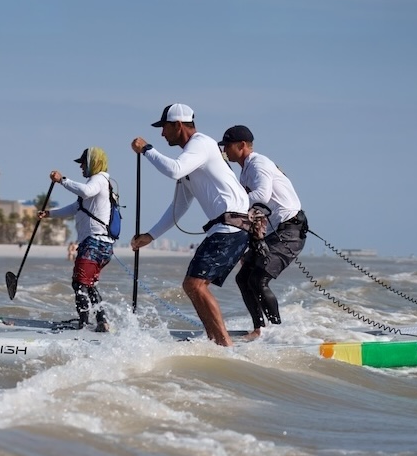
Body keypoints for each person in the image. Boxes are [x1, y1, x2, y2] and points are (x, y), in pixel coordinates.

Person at [130, 104, 251, 346]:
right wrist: (150, 236)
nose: (162, 134)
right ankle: (216, 341)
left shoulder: (201, 143)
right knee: (195, 285)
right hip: (227, 228)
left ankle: (223, 344)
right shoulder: (189, 160)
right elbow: (178, 208)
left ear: (178, 125)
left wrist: (147, 150)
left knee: (194, 284)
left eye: (164, 127)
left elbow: (174, 170)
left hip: (231, 227)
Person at [220, 125, 308, 339]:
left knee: (258, 280)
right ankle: (260, 329)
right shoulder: (245, 171)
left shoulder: (258, 163)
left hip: (290, 230)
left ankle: (276, 333)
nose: (224, 151)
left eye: (227, 146)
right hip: (275, 233)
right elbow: (258, 211)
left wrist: (233, 204)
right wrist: (250, 244)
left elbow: (261, 195)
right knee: (244, 278)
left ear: (242, 146)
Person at [38, 147, 116, 332]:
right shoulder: (96, 184)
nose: (81, 166)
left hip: (94, 243)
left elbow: (86, 191)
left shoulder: (99, 180)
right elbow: (74, 208)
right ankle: (102, 322)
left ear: (93, 162)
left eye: (83, 162)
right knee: (88, 285)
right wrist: (49, 214)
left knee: (79, 284)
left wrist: (62, 180)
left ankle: (83, 325)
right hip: (100, 244)